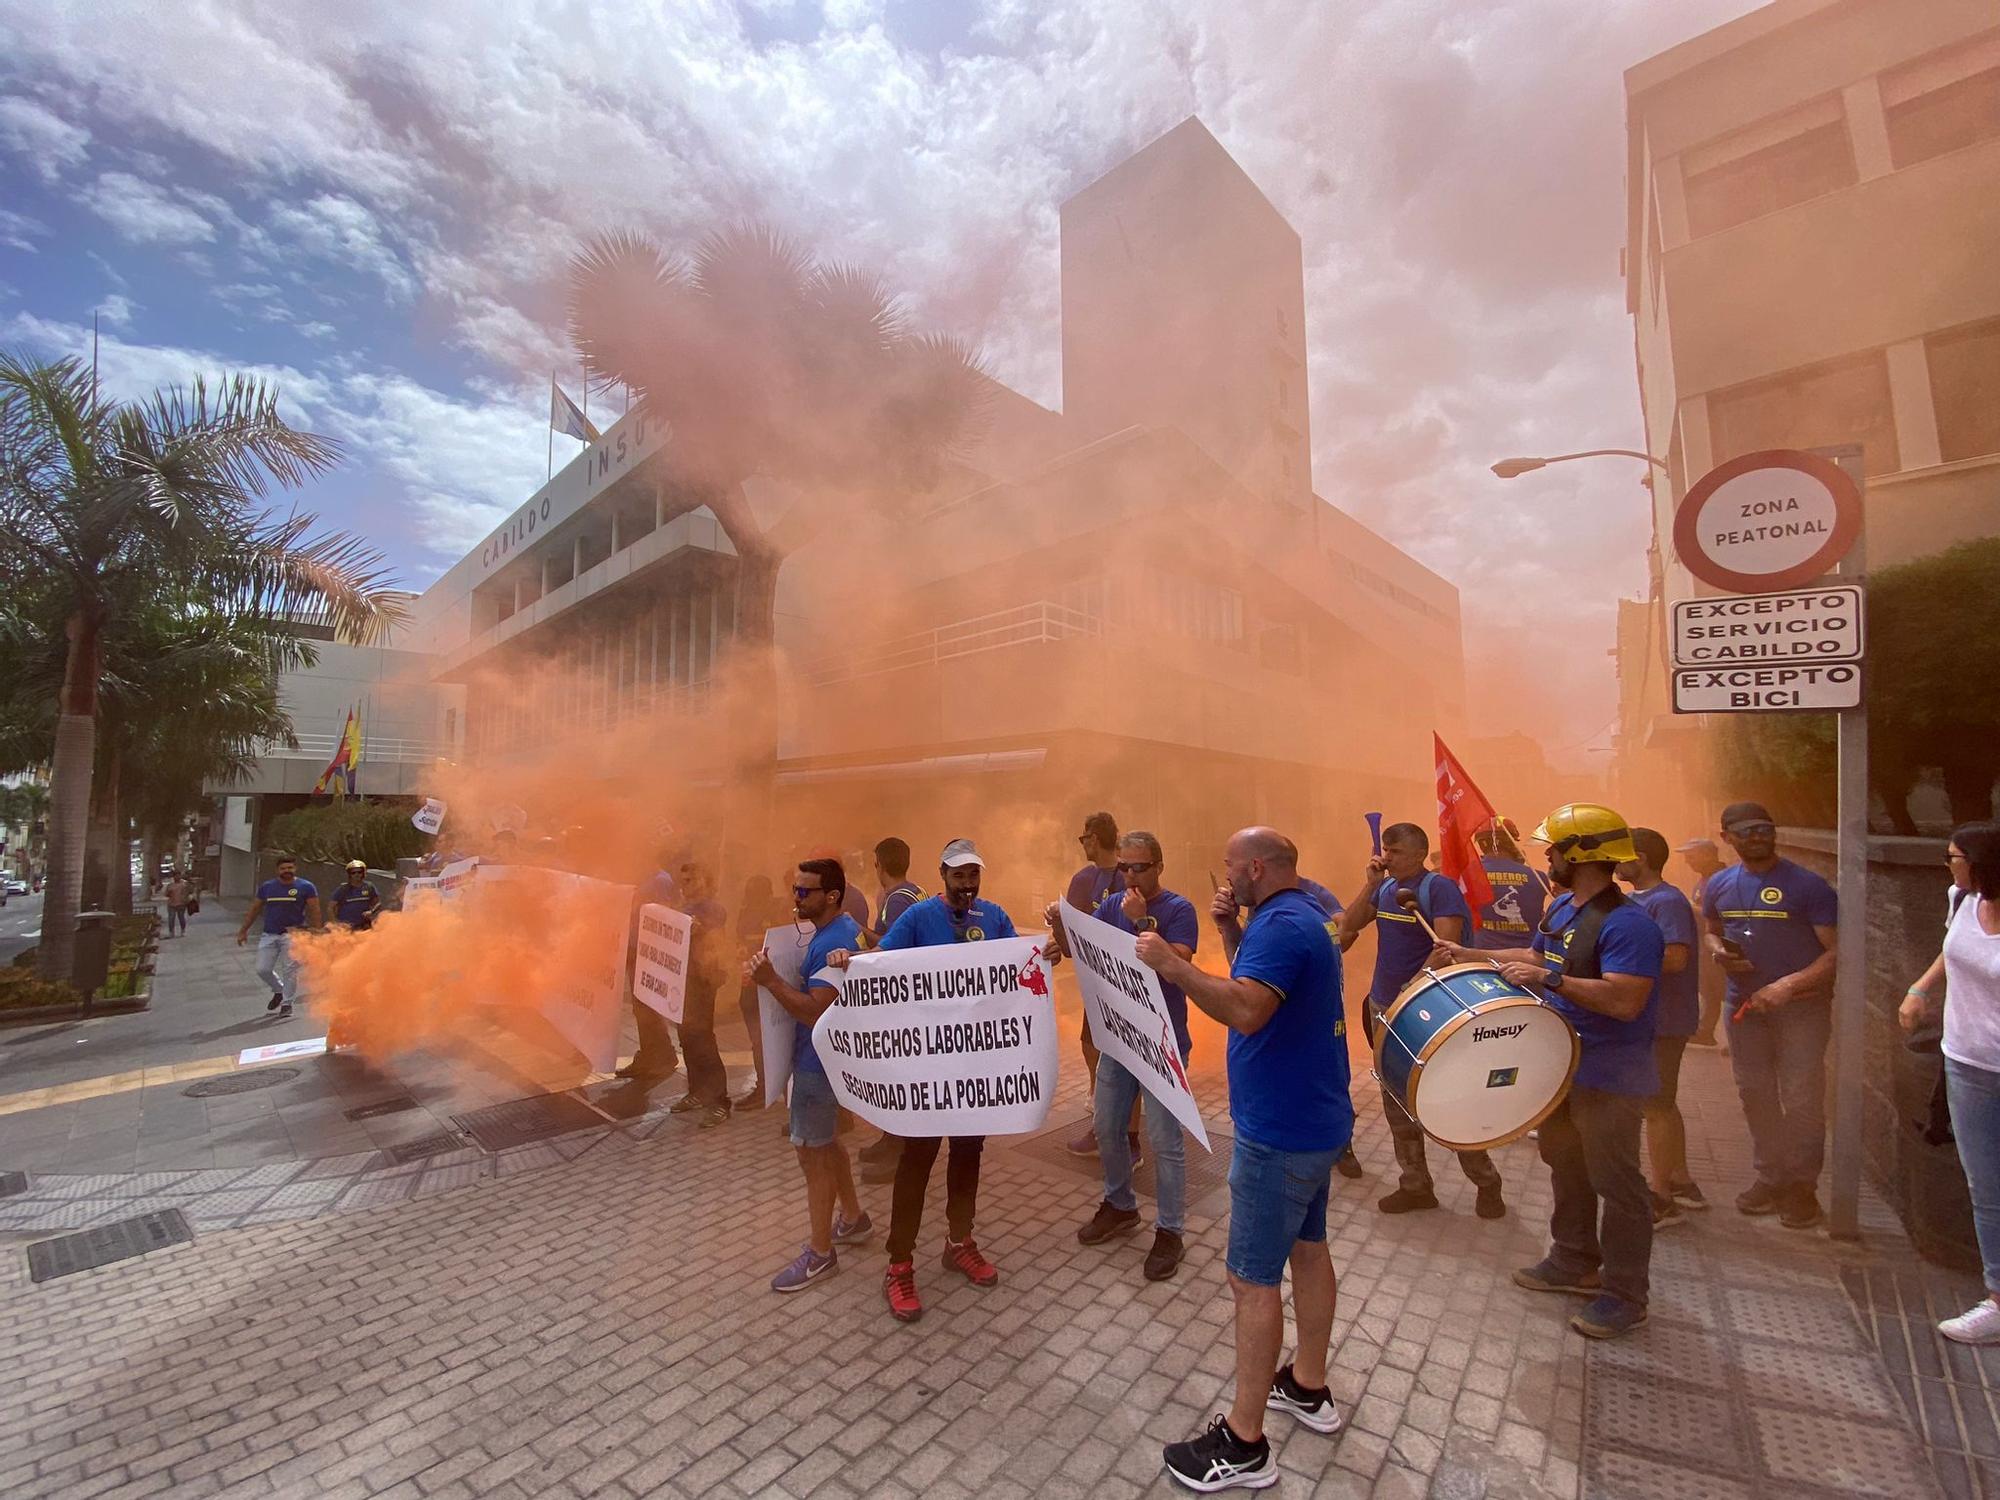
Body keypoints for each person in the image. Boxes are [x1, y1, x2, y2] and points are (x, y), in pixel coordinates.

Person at [1137, 828, 1350, 1489]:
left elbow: (1249, 1010)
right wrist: (1229, 932)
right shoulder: (1295, 915)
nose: (1225, 879)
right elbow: (1260, 987)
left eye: (1231, 868)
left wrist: (1172, 966)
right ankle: (1308, 1385)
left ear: (1256, 866)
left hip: (1279, 1132)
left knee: (1251, 1280)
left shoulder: (1284, 928)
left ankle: (1245, 1442)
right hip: (1314, 1120)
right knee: (1308, 1250)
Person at [1437, 802, 1664, 1340]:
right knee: (1565, 1163)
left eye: (1554, 847)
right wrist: (1470, 953)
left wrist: (1550, 982)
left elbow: (1626, 1000)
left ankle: (1626, 1294)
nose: (1546, 854)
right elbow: (1536, 953)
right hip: (1561, 1066)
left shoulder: (1631, 924)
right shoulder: (1563, 907)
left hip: (1610, 1076)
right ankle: (1573, 1260)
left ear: (1581, 855)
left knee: (1618, 1182)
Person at [828, 837, 1015, 1323]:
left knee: (968, 1154)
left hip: (974, 1067)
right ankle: (899, 1264)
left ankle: (959, 1241)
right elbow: (883, 964)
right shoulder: (918, 918)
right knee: (916, 1161)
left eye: (974, 875)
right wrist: (850, 961)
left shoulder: (994, 917)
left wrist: (1047, 956)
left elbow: (1017, 969)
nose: (967, 885)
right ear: (943, 875)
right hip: (928, 1072)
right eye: (959, 876)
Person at [1046, 831, 1200, 1281]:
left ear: (1159, 866)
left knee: (1165, 1141)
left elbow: (1178, 963)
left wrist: (1144, 921)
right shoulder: (1111, 905)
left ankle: (1170, 1230)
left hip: (1161, 1040)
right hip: (1119, 1037)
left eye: (1140, 867)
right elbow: (1082, 950)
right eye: (1124, 868)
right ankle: (1119, 1203)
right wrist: (1059, 926)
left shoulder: (1177, 909)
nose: (1130, 875)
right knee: (1107, 1126)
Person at [1337, 821, 1505, 1219]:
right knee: (1395, 1097)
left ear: (1417, 853)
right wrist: (1371, 883)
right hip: (1386, 1009)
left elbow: (1448, 948)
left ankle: (1486, 1181)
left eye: (1394, 852)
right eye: (1386, 851)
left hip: (1429, 1011)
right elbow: (1349, 924)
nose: (1387, 857)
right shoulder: (1384, 886)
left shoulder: (1438, 889)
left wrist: (1413, 984)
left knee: (1448, 1097)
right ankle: (1415, 1184)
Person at [1701, 801, 1838, 1230]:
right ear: (1727, 838)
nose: (1757, 837)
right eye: (1746, 831)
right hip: (1743, 1007)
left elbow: (1838, 952)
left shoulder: (1808, 886)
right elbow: (1710, 931)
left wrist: (1787, 986)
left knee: (1801, 1098)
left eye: (1764, 828)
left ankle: (1802, 1189)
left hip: (1801, 1010)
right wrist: (1720, 951)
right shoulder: (1719, 884)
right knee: (1754, 1094)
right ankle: (1771, 1176)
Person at [748, 857, 873, 1292]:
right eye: (795, 889)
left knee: (812, 1156)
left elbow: (816, 1011)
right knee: (827, 1143)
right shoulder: (847, 927)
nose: (796, 897)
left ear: (831, 896)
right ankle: (854, 1220)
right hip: (830, 1063)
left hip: (817, 1066)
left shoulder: (827, 943)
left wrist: (769, 981)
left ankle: (821, 1254)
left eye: (805, 891)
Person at [1901, 823, 2000, 1343]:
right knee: (1986, 1187)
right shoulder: (1962, 897)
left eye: (1953, 857)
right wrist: (1920, 988)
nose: (1947, 865)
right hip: (1967, 1064)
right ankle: (1997, 1300)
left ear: (1980, 861)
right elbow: (1950, 947)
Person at [1616, 829, 1706, 1225]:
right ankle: (1681, 1179)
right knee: (1662, 1102)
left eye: (1621, 854)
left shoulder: (1667, 901)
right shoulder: (1637, 899)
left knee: (1654, 1106)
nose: (1616, 862)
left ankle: (1660, 1197)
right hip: (1649, 1019)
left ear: (1642, 857)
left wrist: (1617, 962)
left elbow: (1675, 959)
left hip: (1666, 1020)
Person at [857, 838, 926, 1183]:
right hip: (909, 1001)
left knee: (899, 1077)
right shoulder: (915, 892)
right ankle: (890, 1139)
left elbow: (889, 950)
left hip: (902, 1004)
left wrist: (854, 931)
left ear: (880, 865)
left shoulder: (898, 901)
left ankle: (900, 1155)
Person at [1066, 811, 1129, 1156]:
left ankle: (1113, 1128)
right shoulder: (1082, 879)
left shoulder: (1128, 874)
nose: (1083, 843)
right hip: (1096, 980)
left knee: (1121, 1052)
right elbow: (1071, 926)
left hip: (1125, 980)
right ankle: (1098, 1098)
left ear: (1096, 838)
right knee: (1090, 1043)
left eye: (1085, 837)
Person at [670, 860, 733, 1127]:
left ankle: (719, 1101)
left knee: (703, 1040)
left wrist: (699, 929)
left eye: (691, 881)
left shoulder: (712, 908)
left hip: (702, 982)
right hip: (683, 982)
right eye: (682, 881)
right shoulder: (683, 908)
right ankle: (696, 1091)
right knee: (687, 1038)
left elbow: (715, 936)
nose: (685, 887)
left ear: (706, 882)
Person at [618, 852, 682, 1082]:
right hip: (636, 947)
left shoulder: (660, 880)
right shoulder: (646, 879)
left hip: (647, 952)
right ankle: (650, 1054)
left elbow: (662, 916)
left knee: (648, 1008)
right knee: (641, 1008)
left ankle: (661, 1056)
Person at [236, 853, 322, 1019]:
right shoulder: (267, 887)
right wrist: (243, 931)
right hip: (269, 934)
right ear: (277, 870)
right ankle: (278, 990)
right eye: (283, 868)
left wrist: (316, 932)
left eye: (290, 867)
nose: (287, 871)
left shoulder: (306, 887)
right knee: (262, 969)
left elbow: (315, 910)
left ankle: (287, 1004)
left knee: (290, 970)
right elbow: (255, 909)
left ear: (295, 868)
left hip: (292, 935)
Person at [734, 873, 788, 1110]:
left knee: (774, 1038)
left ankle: (780, 1089)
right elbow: (740, 943)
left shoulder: (778, 913)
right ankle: (765, 1086)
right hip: (751, 984)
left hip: (771, 985)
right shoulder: (746, 913)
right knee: (758, 1040)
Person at [1677, 837, 1729, 1048]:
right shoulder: (1703, 880)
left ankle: (1735, 1039)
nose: (1688, 861)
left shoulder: (1722, 880)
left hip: (1720, 943)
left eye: (1692, 856)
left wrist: (1689, 907)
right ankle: (1705, 1031)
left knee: (1725, 989)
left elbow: (1721, 914)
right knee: (1709, 989)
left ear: (1708, 855)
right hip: (1703, 943)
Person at [1473, 824, 1545, 951]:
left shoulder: (1466, 876)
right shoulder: (1538, 877)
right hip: (1527, 958)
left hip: (1481, 956)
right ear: (1511, 842)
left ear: (1481, 844)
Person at [329, 859, 384, 931]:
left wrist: (371, 911)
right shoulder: (343, 889)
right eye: (353, 873)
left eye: (359, 872)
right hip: (346, 927)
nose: (356, 874)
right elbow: (331, 907)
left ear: (363, 873)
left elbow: (378, 903)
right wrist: (335, 923)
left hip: (364, 925)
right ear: (349, 874)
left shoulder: (369, 887)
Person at [163, 870, 190, 937]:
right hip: (171, 904)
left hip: (181, 904)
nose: (177, 877)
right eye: (176, 876)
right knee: (171, 918)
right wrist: (169, 892)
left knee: (181, 918)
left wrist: (186, 899)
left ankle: (183, 931)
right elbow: (166, 894)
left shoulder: (184, 884)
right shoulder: (170, 885)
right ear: (173, 876)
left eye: (178, 875)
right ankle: (171, 932)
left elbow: (188, 892)